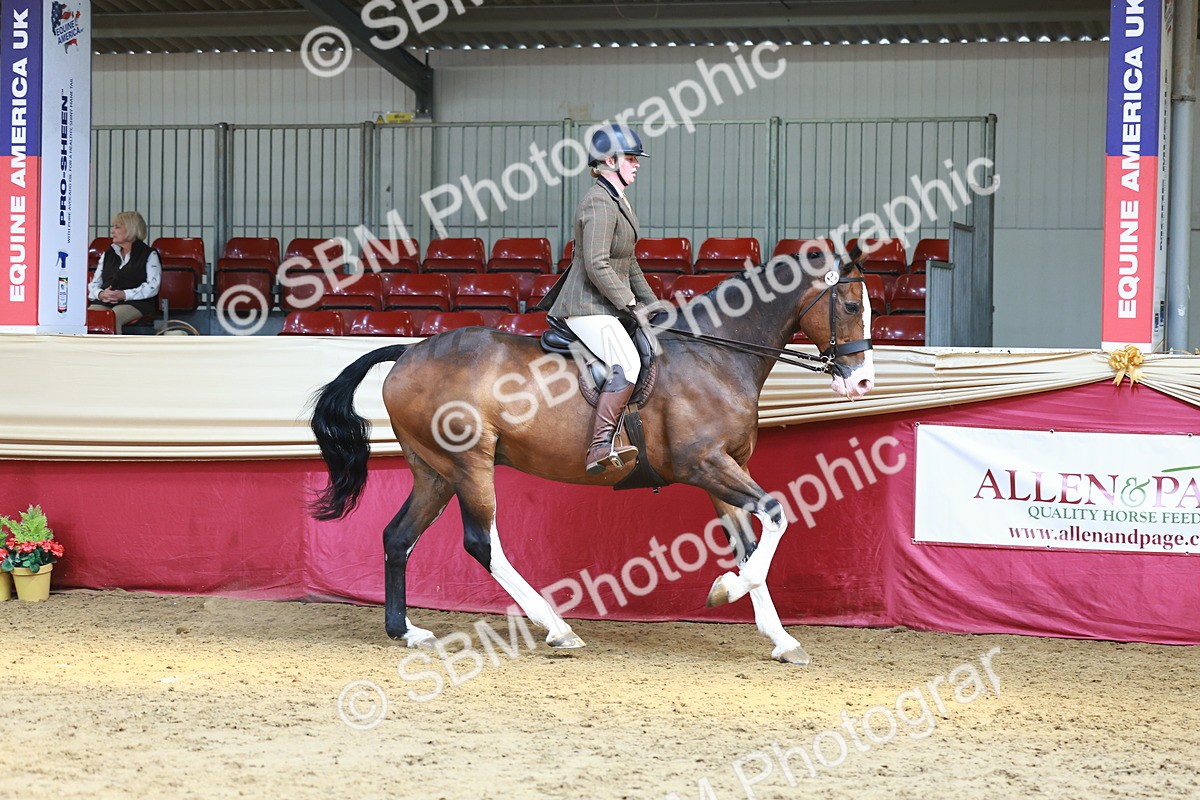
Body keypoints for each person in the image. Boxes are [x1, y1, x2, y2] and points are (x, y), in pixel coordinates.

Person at [543, 124, 659, 475]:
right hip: (586, 306)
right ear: (610, 161)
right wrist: (630, 304)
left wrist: (652, 304)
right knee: (628, 361)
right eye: (631, 158)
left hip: (606, 304)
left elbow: (628, 260)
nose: (637, 164)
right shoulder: (598, 201)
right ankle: (598, 447)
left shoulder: (617, 200)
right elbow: (596, 263)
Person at [88, 211, 161, 333]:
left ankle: (113, 351)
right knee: (90, 316)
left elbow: (153, 287)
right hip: (105, 301)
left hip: (137, 303)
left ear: (131, 229)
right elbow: (94, 284)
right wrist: (100, 294)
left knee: (113, 317)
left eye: (117, 227)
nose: (112, 231)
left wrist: (124, 294)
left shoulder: (149, 254)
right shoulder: (108, 254)